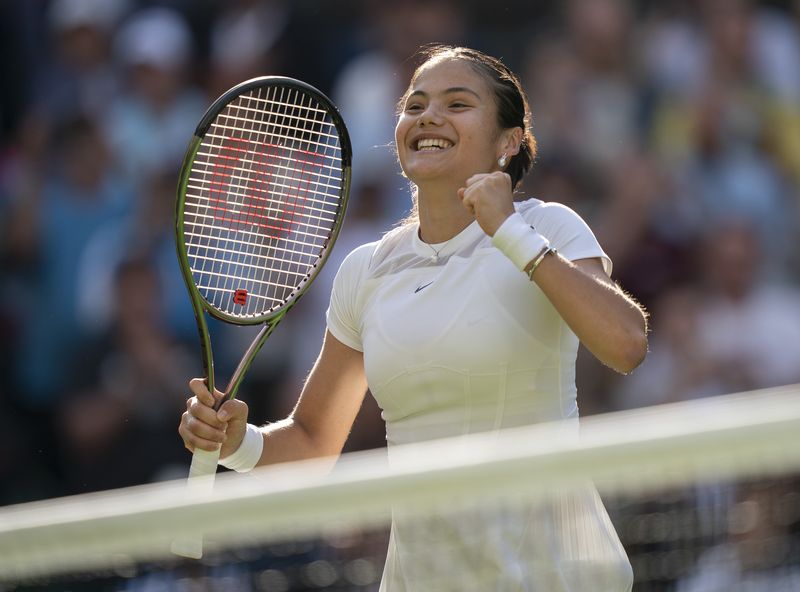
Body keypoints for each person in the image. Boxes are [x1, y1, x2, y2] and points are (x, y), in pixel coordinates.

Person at [179, 45, 648, 591]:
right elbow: (312, 441)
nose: (429, 117)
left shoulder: (548, 227)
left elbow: (626, 344)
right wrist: (238, 442)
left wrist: (511, 233)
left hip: (556, 578)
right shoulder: (366, 272)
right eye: (416, 104)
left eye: (457, 104)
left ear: (509, 142)